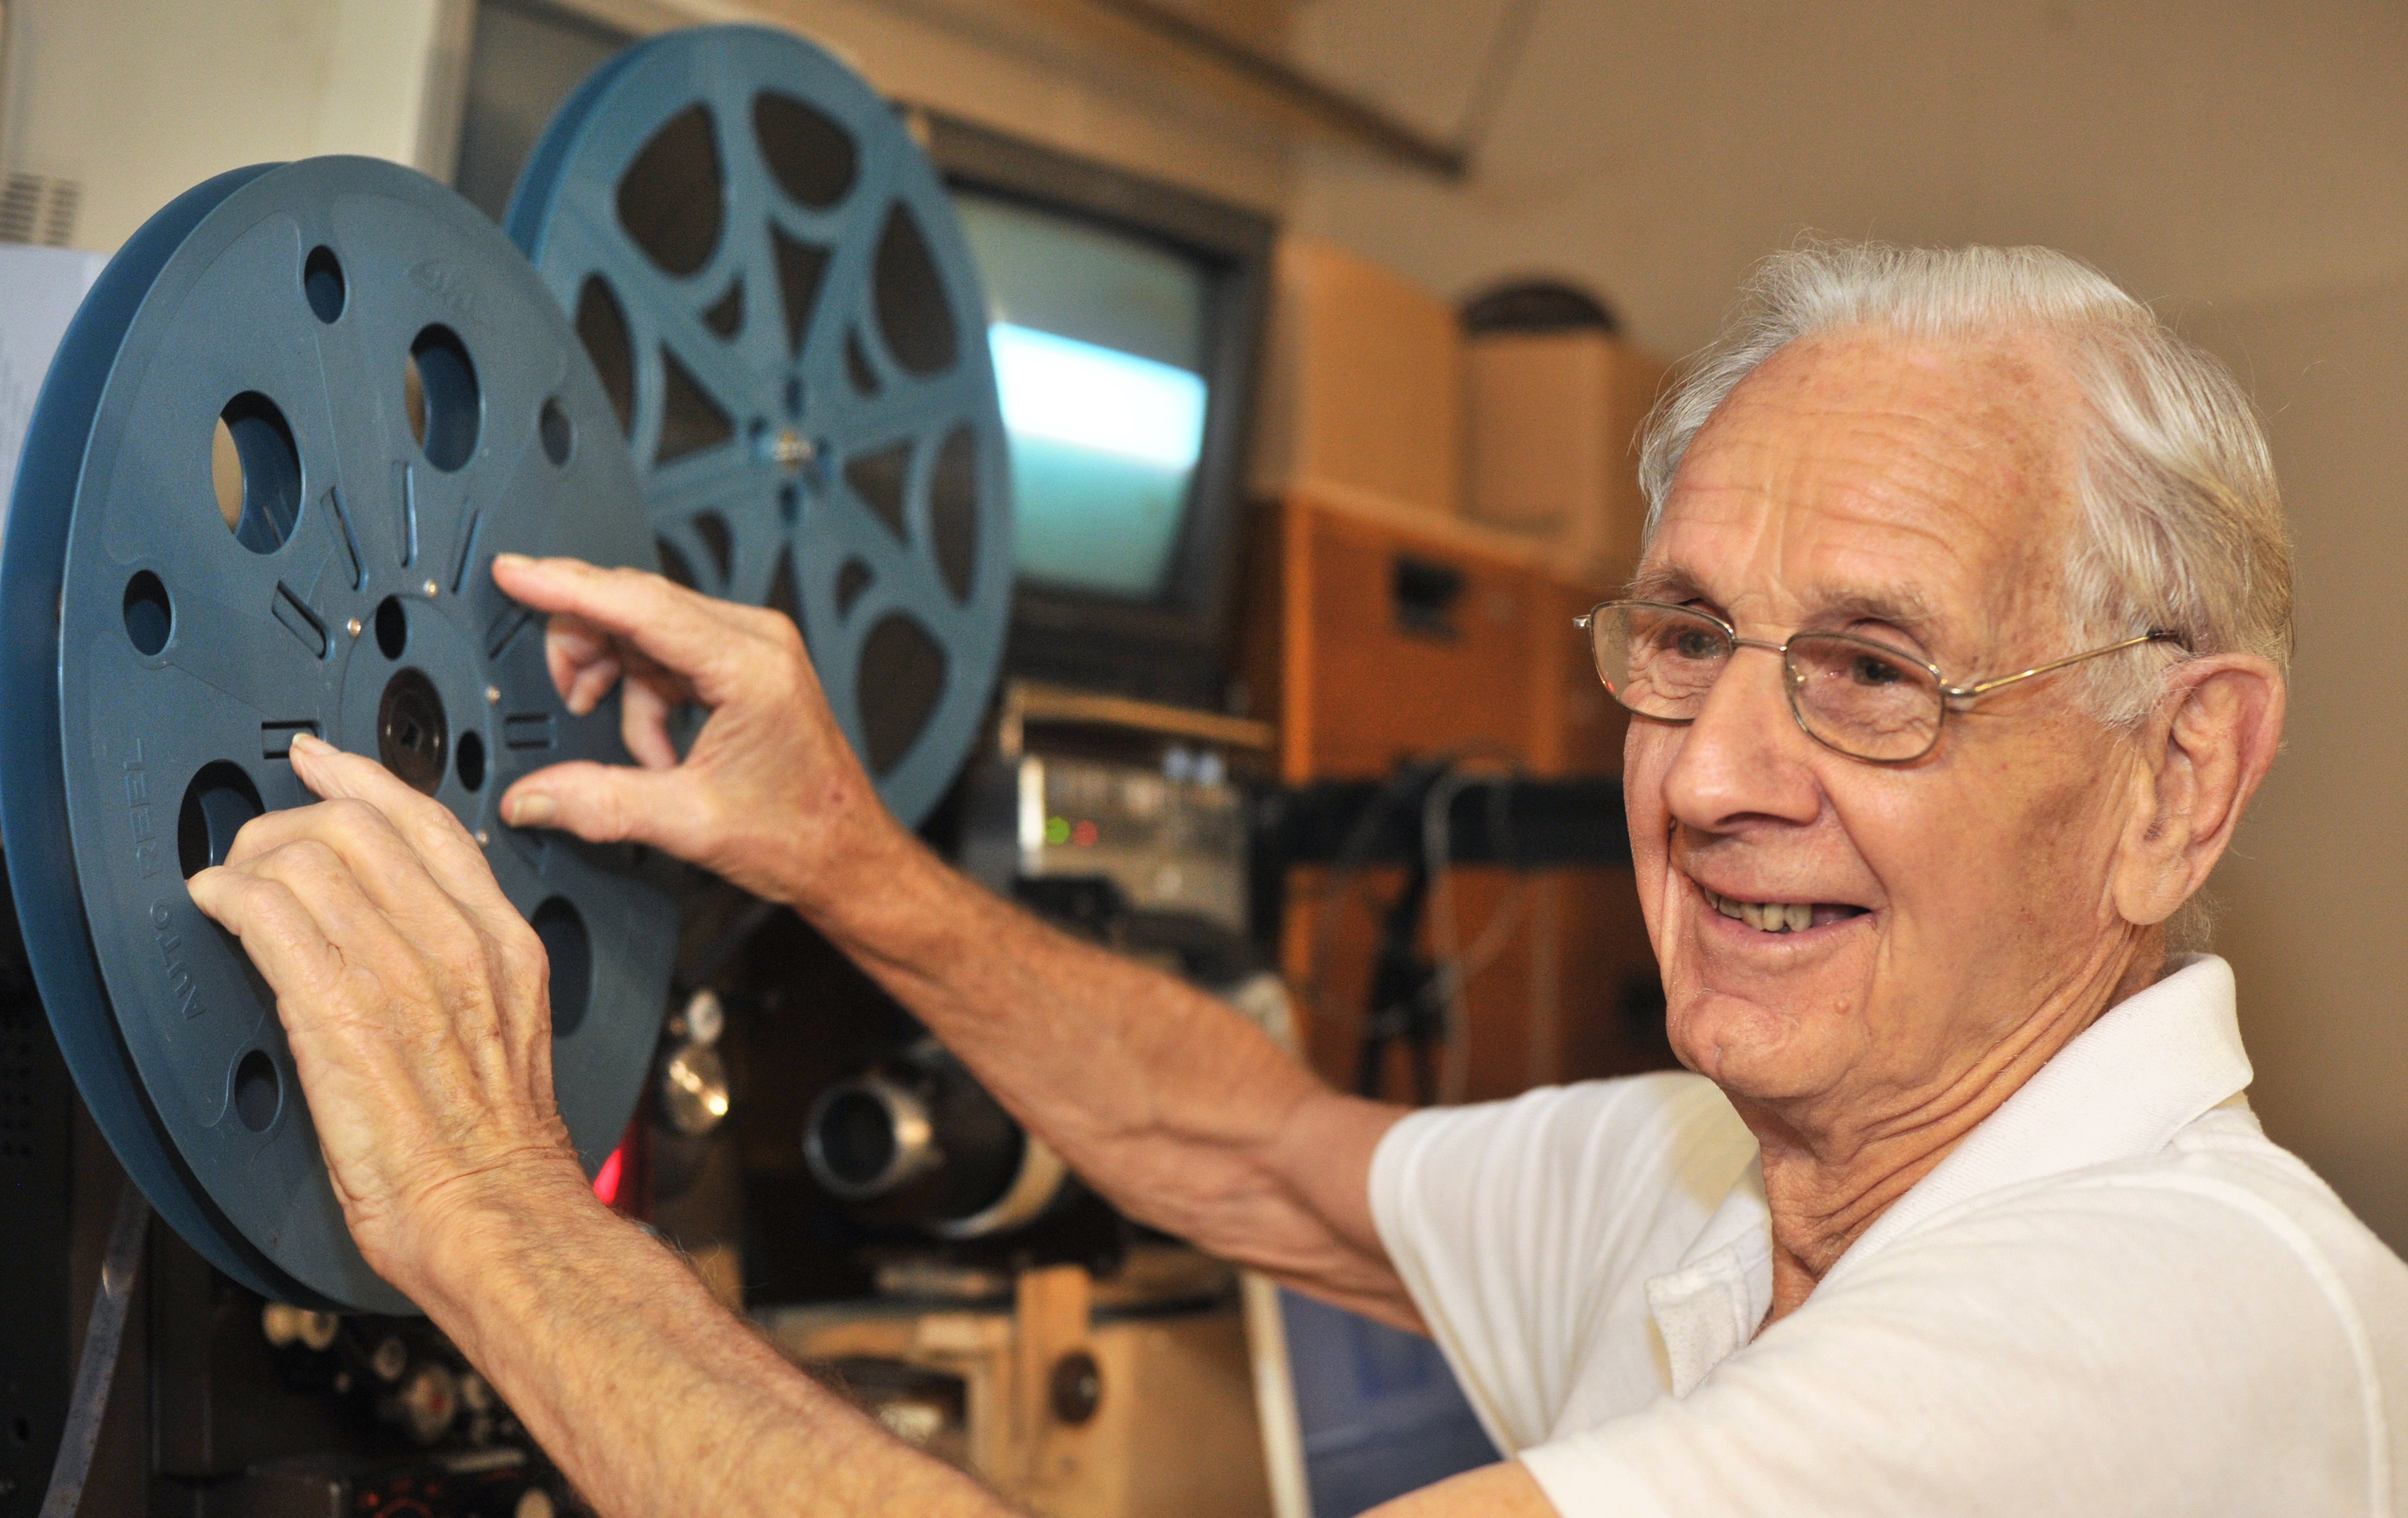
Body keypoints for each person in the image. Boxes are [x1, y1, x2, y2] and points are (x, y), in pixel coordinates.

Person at [189, 242, 2408, 1517]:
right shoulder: (1715, 1174)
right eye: (1690, 641)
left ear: (2176, 781)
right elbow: (1240, 1149)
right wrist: (853, 864)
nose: (1718, 774)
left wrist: (482, 1211)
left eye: (1876, 672)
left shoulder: (2152, 1330)